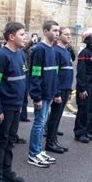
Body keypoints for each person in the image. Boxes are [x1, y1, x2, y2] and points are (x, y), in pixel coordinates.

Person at [0, 22, 27, 182]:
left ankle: (7, 171)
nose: (25, 36)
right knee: (0, 141)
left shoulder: (20, 54)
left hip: (16, 105)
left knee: (10, 140)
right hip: (5, 107)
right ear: (11, 37)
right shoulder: (0, 57)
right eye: (22, 34)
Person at [27, 20, 59, 167]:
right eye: (54, 30)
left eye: (58, 31)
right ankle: (33, 153)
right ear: (45, 32)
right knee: (39, 123)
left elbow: (54, 73)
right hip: (42, 94)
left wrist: (55, 92)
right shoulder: (39, 49)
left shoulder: (51, 48)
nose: (57, 33)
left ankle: (39, 150)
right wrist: (36, 96)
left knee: (43, 121)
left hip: (49, 93)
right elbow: (35, 74)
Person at [45, 27, 73, 154]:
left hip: (66, 87)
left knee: (58, 116)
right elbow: (55, 73)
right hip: (60, 88)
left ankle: (54, 139)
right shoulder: (56, 51)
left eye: (70, 34)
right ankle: (50, 142)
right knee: (54, 116)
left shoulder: (66, 51)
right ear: (60, 36)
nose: (69, 36)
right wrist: (56, 92)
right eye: (66, 34)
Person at [73, 28, 92, 144]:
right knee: (83, 110)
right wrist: (82, 89)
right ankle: (79, 133)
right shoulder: (84, 53)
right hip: (87, 85)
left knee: (90, 109)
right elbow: (81, 72)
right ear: (89, 41)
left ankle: (86, 131)